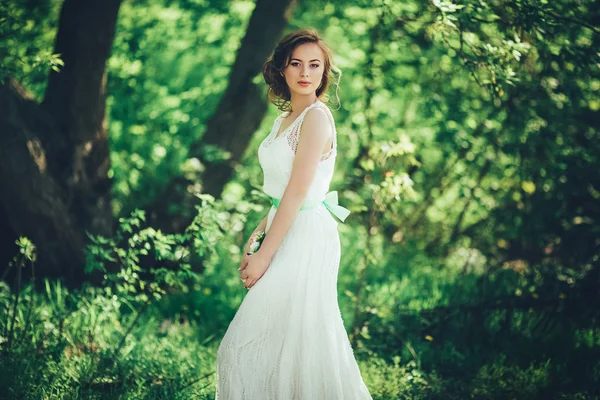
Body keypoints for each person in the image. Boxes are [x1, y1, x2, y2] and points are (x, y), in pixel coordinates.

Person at [215, 28, 373, 400]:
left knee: (244, 346)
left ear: (324, 73)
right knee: (286, 345)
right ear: (281, 70)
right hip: (284, 224)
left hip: (307, 235)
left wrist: (265, 256)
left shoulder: (316, 118)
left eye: (314, 65)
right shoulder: (282, 121)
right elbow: (279, 191)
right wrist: (258, 237)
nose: (305, 72)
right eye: (296, 64)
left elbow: (299, 191)